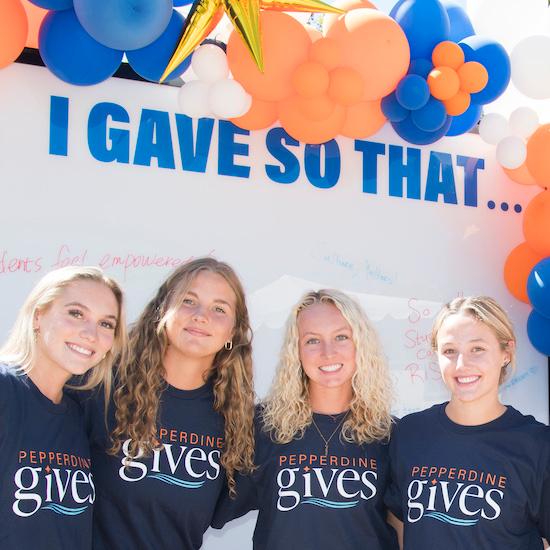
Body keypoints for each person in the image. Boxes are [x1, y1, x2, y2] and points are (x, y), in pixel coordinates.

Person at [79, 257, 256, 549]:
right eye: (189, 301)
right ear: (163, 309)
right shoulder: (101, 388)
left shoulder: (237, 423)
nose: (201, 315)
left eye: (219, 309)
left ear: (233, 333)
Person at [213, 289, 399, 549]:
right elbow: (205, 502)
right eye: (312, 340)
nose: (328, 352)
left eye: (341, 337)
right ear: (295, 351)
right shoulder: (263, 427)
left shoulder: (389, 436)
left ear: (361, 344)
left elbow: (403, 528)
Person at [385, 296, 550, 549]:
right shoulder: (410, 433)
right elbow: (399, 521)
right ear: (436, 355)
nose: (462, 365)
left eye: (477, 349)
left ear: (506, 352)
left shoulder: (538, 446)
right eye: (450, 351)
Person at [0, 266, 126, 549]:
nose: (90, 333)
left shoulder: (79, 415)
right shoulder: (5, 391)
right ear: (38, 316)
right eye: (76, 314)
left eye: (106, 324)